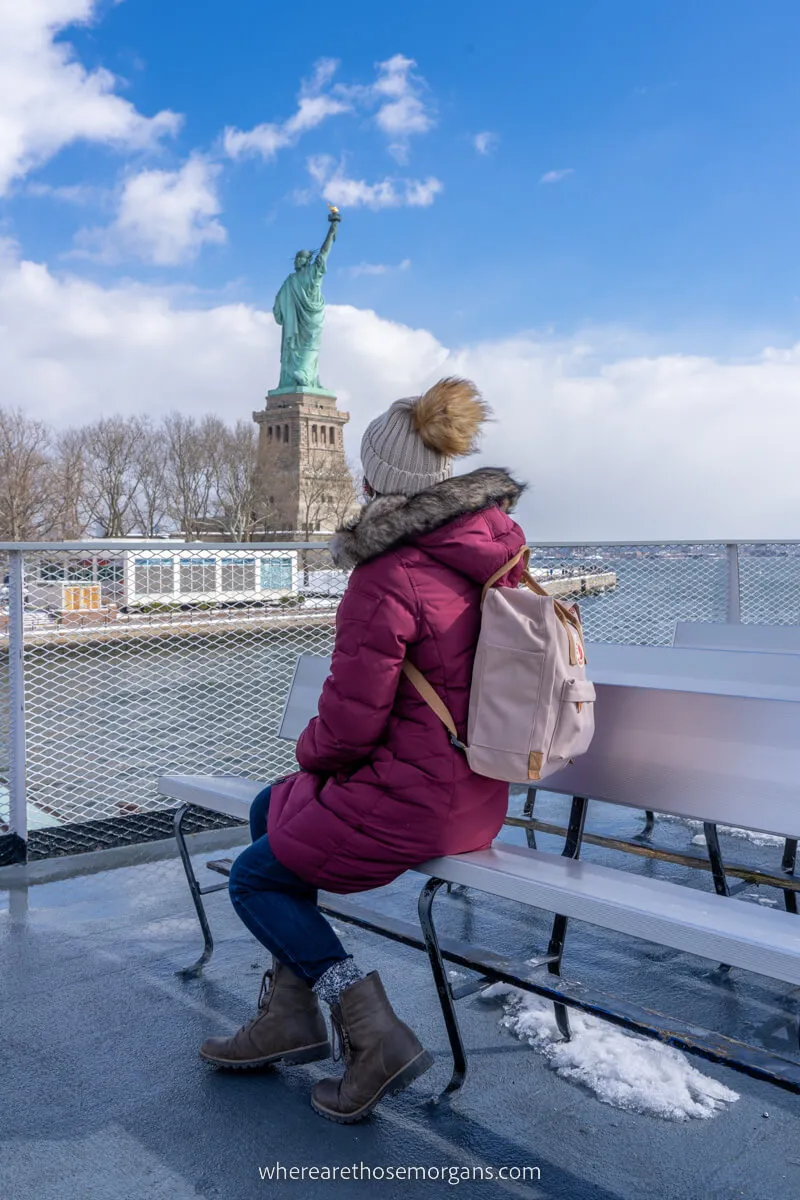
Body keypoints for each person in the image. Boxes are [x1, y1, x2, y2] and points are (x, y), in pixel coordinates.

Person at [200, 377, 528, 1123]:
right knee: (267, 808)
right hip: (475, 792)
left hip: (417, 800)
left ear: (380, 478)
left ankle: (373, 1033)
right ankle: (290, 1016)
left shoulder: (389, 575)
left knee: (255, 878)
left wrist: (312, 754)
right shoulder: (479, 558)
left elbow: (348, 727)